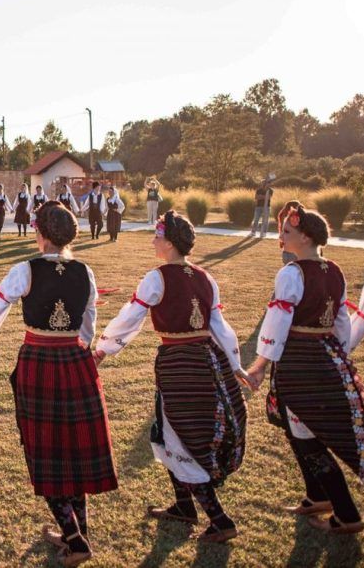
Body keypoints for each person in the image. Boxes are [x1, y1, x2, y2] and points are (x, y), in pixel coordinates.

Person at [0, 201, 116, 566]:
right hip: (76, 363)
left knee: (45, 451)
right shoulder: (84, 271)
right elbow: (89, 320)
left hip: (39, 364)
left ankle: (75, 539)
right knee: (71, 449)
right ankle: (76, 533)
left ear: (39, 233)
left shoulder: (25, 270)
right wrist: (83, 351)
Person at [95, 211, 250, 543]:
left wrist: (103, 349)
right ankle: (183, 506)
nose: (153, 240)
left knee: (180, 435)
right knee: (166, 432)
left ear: (167, 242)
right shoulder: (205, 277)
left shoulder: (157, 277)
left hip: (180, 364)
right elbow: (220, 327)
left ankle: (220, 520)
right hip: (210, 361)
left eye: (156, 235)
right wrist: (234, 364)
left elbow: (131, 317)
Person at [245, 206, 364, 534]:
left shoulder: (292, 273)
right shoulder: (335, 270)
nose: (281, 237)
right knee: (295, 425)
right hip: (328, 356)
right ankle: (317, 495)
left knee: (305, 434)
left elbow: (278, 320)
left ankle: (346, 513)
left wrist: (260, 364)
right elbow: (341, 321)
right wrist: (339, 356)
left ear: (305, 236)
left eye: (286, 232)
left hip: (300, 362)